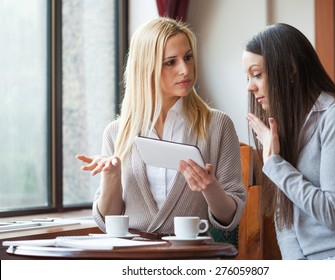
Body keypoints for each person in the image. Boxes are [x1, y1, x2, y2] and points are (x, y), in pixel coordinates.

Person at [76, 17, 246, 236]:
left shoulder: (218, 125)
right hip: (133, 258)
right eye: (170, 62)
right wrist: (112, 176)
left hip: (191, 260)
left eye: (188, 57)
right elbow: (108, 222)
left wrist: (209, 187)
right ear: (147, 68)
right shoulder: (116, 133)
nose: (185, 70)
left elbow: (230, 219)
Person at [242, 23, 335, 260]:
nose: (250, 86)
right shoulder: (285, 130)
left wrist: (275, 164)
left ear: (290, 70)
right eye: (247, 77)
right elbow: (285, 223)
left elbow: (332, 213)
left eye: (257, 74)